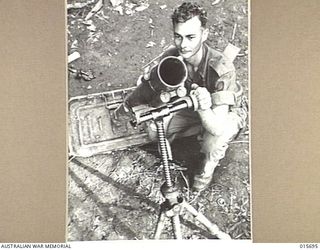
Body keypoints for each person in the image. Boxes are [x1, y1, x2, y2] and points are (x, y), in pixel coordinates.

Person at [115, 2, 247, 191]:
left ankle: (205, 173)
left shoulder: (222, 69)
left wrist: (203, 107)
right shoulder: (172, 57)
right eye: (178, 37)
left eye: (191, 37)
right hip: (189, 107)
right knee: (154, 130)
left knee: (213, 142)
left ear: (205, 34)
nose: (183, 45)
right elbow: (153, 92)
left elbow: (217, 127)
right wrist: (152, 84)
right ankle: (192, 133)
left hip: (222, 114)